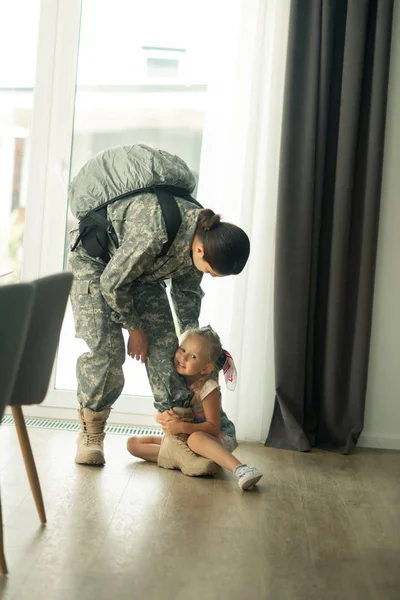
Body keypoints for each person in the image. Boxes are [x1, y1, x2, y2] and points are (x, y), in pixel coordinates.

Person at [68, 144, 250, 466]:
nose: (212, 277)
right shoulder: (155, 229)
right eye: (212, 272)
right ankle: (91, 431)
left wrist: (199, 352)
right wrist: (134, 328)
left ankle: (177, 439)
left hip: (139, 275)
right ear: (200, 251)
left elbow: (187, 298)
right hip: (98, 265)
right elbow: (113, 281)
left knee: (170, 352)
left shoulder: (200, 244)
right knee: (107, 352)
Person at [127, 327, 263, 491]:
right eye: (182, 349)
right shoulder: (175, 381)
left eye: (192, 356)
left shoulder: (208, 387)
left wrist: (182, 427)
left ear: (205, 368)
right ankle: (186, 459)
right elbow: (162, 409)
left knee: (195, 439)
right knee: (133, 444)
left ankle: (240, 469)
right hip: (185, 437)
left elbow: (213, 427)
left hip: (216, 436)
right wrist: (160, 416)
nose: (182, 357)